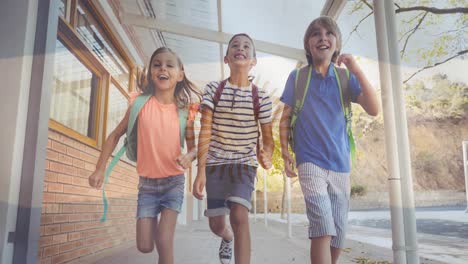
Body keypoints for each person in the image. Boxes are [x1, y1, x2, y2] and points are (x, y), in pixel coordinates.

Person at [279, 16, 379, 264]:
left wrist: (356, 69)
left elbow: (374, 109)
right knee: (323, 225)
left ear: (337, 44)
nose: (322, 37)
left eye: (328, 33)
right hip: (310, 161)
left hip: (340, 164)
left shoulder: (345, 79)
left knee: (339, 232)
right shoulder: (298, 77)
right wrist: (285, 152)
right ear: (308, 45)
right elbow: (285, 118)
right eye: (315, 33)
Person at [88, 47, 201, 264]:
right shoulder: (139, 104)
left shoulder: (184, 111)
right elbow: (114, 135)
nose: (162, 68)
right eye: (157, 64)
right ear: (151, 72)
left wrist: (189, 156)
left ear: (180, 74)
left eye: (169, 64)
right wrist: (100, 168)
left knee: (164, 240)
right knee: (144, 246)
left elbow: (194, 147)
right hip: (147, 186)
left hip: (173, 183)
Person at [192, 33, 273, 264]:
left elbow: (268, 139)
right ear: (226, 58)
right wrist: (200, 172)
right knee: (217, 224)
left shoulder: (261, 97)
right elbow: (205, 130)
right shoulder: (213, 90)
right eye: (235, 45)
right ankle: (226, 238)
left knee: (239, 216)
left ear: (253, 61)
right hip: (216, 164)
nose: (241, 48)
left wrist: (267, 154)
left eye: (247, 46)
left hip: (243, 163)